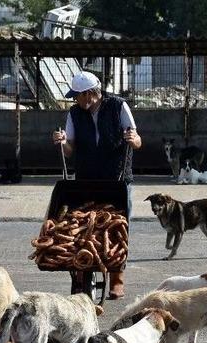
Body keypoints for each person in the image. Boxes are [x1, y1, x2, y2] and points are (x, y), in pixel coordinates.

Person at [51, 71, 142, 299]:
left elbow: (137, 139)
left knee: (117, 228)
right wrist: (62, 143)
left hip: (117, 176)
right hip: (86, 177)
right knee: (85, 228)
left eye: (78, 96)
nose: (76, 100)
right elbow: (70, 149)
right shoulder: (74, 113)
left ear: (90, 93)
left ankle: (117, 278)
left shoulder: (118, 106)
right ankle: (82, 272)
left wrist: (133, 140)